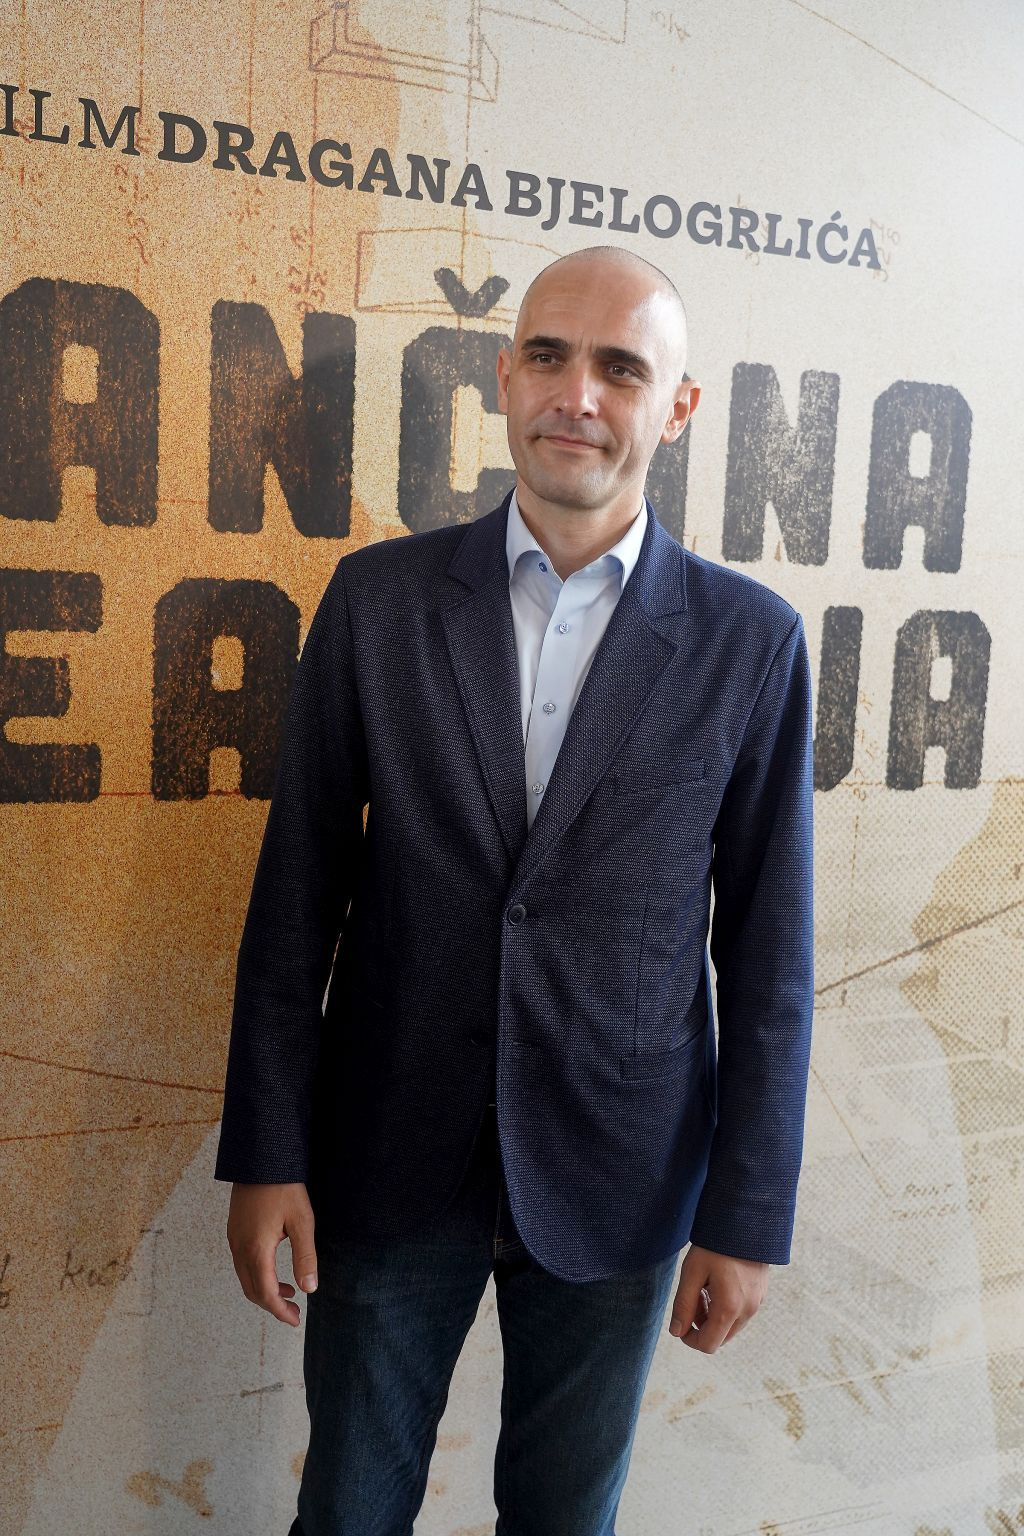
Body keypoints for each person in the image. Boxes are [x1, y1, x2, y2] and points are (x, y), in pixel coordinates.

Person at [214, 243, 815, 1535]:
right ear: (503, 376)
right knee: (348, 1512)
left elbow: (770, 961)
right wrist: (265, 1151)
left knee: (563, 1520)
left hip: (622, 1172)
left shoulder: (750, 642)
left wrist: (748, 1215)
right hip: (385, 1157)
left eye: (621, 370)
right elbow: (296, 899)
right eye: (548, 356)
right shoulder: (377, 603)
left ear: (678, 407)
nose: (576, 396)